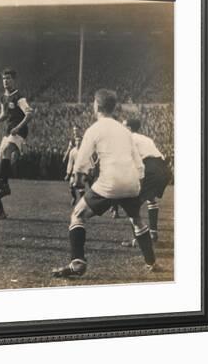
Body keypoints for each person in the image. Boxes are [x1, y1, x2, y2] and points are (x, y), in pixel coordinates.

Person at [51, 89, 158, 278]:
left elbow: (82, 158)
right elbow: (139, 164)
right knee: (137, 220)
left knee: (77, 215)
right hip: (132, 181)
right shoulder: (125, 131)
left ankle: (77, 262)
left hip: (110, 182)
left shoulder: (94, 129)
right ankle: (151, 261)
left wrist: (77, 178)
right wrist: (137, 184)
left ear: (97, 105)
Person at [0, 68, 34, 204]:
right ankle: (5, 187)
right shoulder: (3, 97)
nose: (5, 81)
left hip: (19, 130)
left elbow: (29, 114)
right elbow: (4, 114)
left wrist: (18, 127)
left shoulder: (19, 96)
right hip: (9, 130)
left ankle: (0, 181)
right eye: (3, 79)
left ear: (13, 80)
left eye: (8, 79)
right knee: (0, 157)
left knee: (7, 151)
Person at [121, 118, 171, 246]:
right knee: (151, 199)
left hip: (150, 168)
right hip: (164, 169)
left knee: (132, 205)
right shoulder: (146, 138)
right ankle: (153, 233)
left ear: (129, 129)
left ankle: (138, 240)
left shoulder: (128, 138)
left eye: (123, 125)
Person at [64, 136, 83, 206]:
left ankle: (81, 202)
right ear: (75, 142)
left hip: (82, 171)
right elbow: (70, 162)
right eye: (77, 141)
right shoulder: (72, 151)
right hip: (74, 171)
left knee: (81, 188)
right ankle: (74, 197)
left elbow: (88, 161)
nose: (78, 142)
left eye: (80, 141)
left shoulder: (84, 150)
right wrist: (68, 173)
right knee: (71, 185)